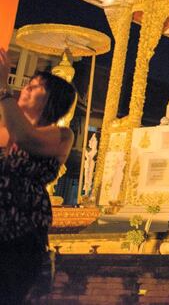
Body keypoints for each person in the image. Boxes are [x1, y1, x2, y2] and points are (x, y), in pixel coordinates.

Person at [0, 47, 77, 303]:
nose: (27, 89)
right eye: (28, 84)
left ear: (52, 100)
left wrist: (3, 89)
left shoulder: (60, 136)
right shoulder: (4, 127)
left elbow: (24, 137)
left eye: (35, 87)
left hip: (19, 234)